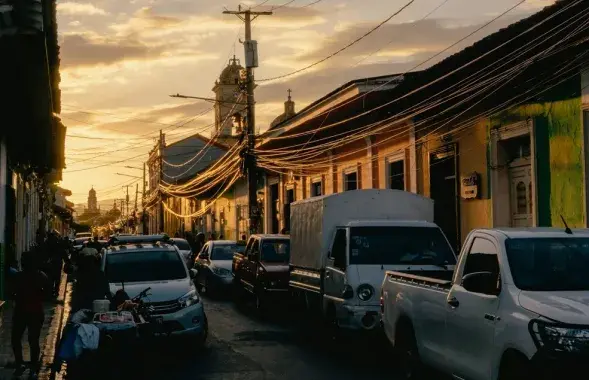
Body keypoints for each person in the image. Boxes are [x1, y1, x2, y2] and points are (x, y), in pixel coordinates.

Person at [12, 251, 49, 379]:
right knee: (33, 340)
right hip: (35, 312)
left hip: (21, 312)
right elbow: (47, 295)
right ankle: (33, 367)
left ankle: (20, 364)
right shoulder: (42, 276)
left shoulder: (18, 277)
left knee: (16, 339)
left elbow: (12, 293)